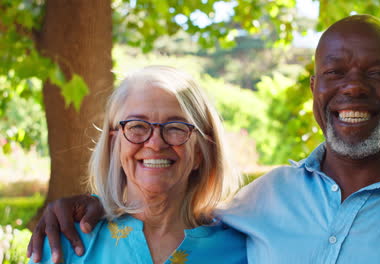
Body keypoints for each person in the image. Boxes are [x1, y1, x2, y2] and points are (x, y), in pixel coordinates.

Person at [29, 15, 380, 263]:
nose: (155, 143)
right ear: (315, 88)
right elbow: (157, 201)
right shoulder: (260, 203)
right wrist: (91, 202)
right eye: (335, 73)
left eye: (377, 73)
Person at [28, 65, 247, 263]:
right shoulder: (66, 242)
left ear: (201, 150)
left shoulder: (245, 250)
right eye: (137, 126)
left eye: (175, 127)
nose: (155, 143)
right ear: (115, 144)